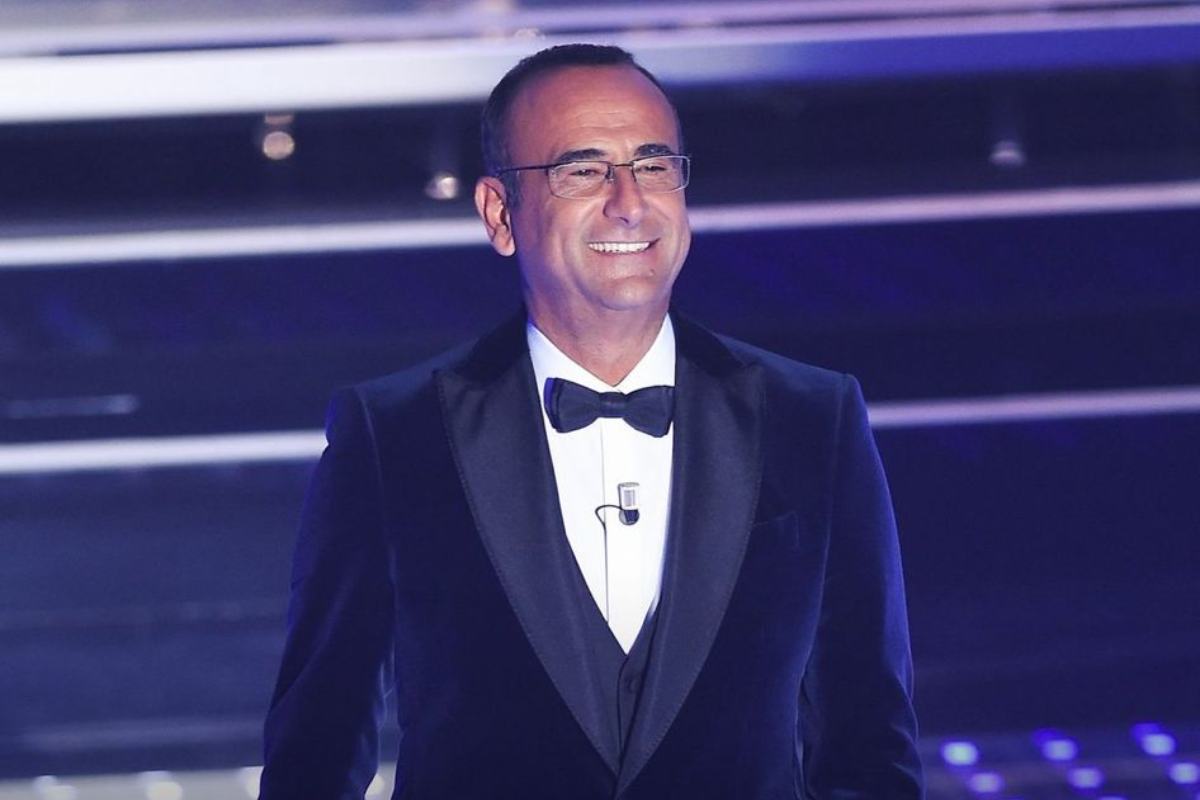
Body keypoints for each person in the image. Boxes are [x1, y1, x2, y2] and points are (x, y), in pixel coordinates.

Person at [261, 43, 923, 799]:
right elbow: (316, 748)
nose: (629, 202)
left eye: (654, 165)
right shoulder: (393, 435)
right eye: (583, 171)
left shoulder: (813, 417)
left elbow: (871, 744)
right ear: (500, 213)